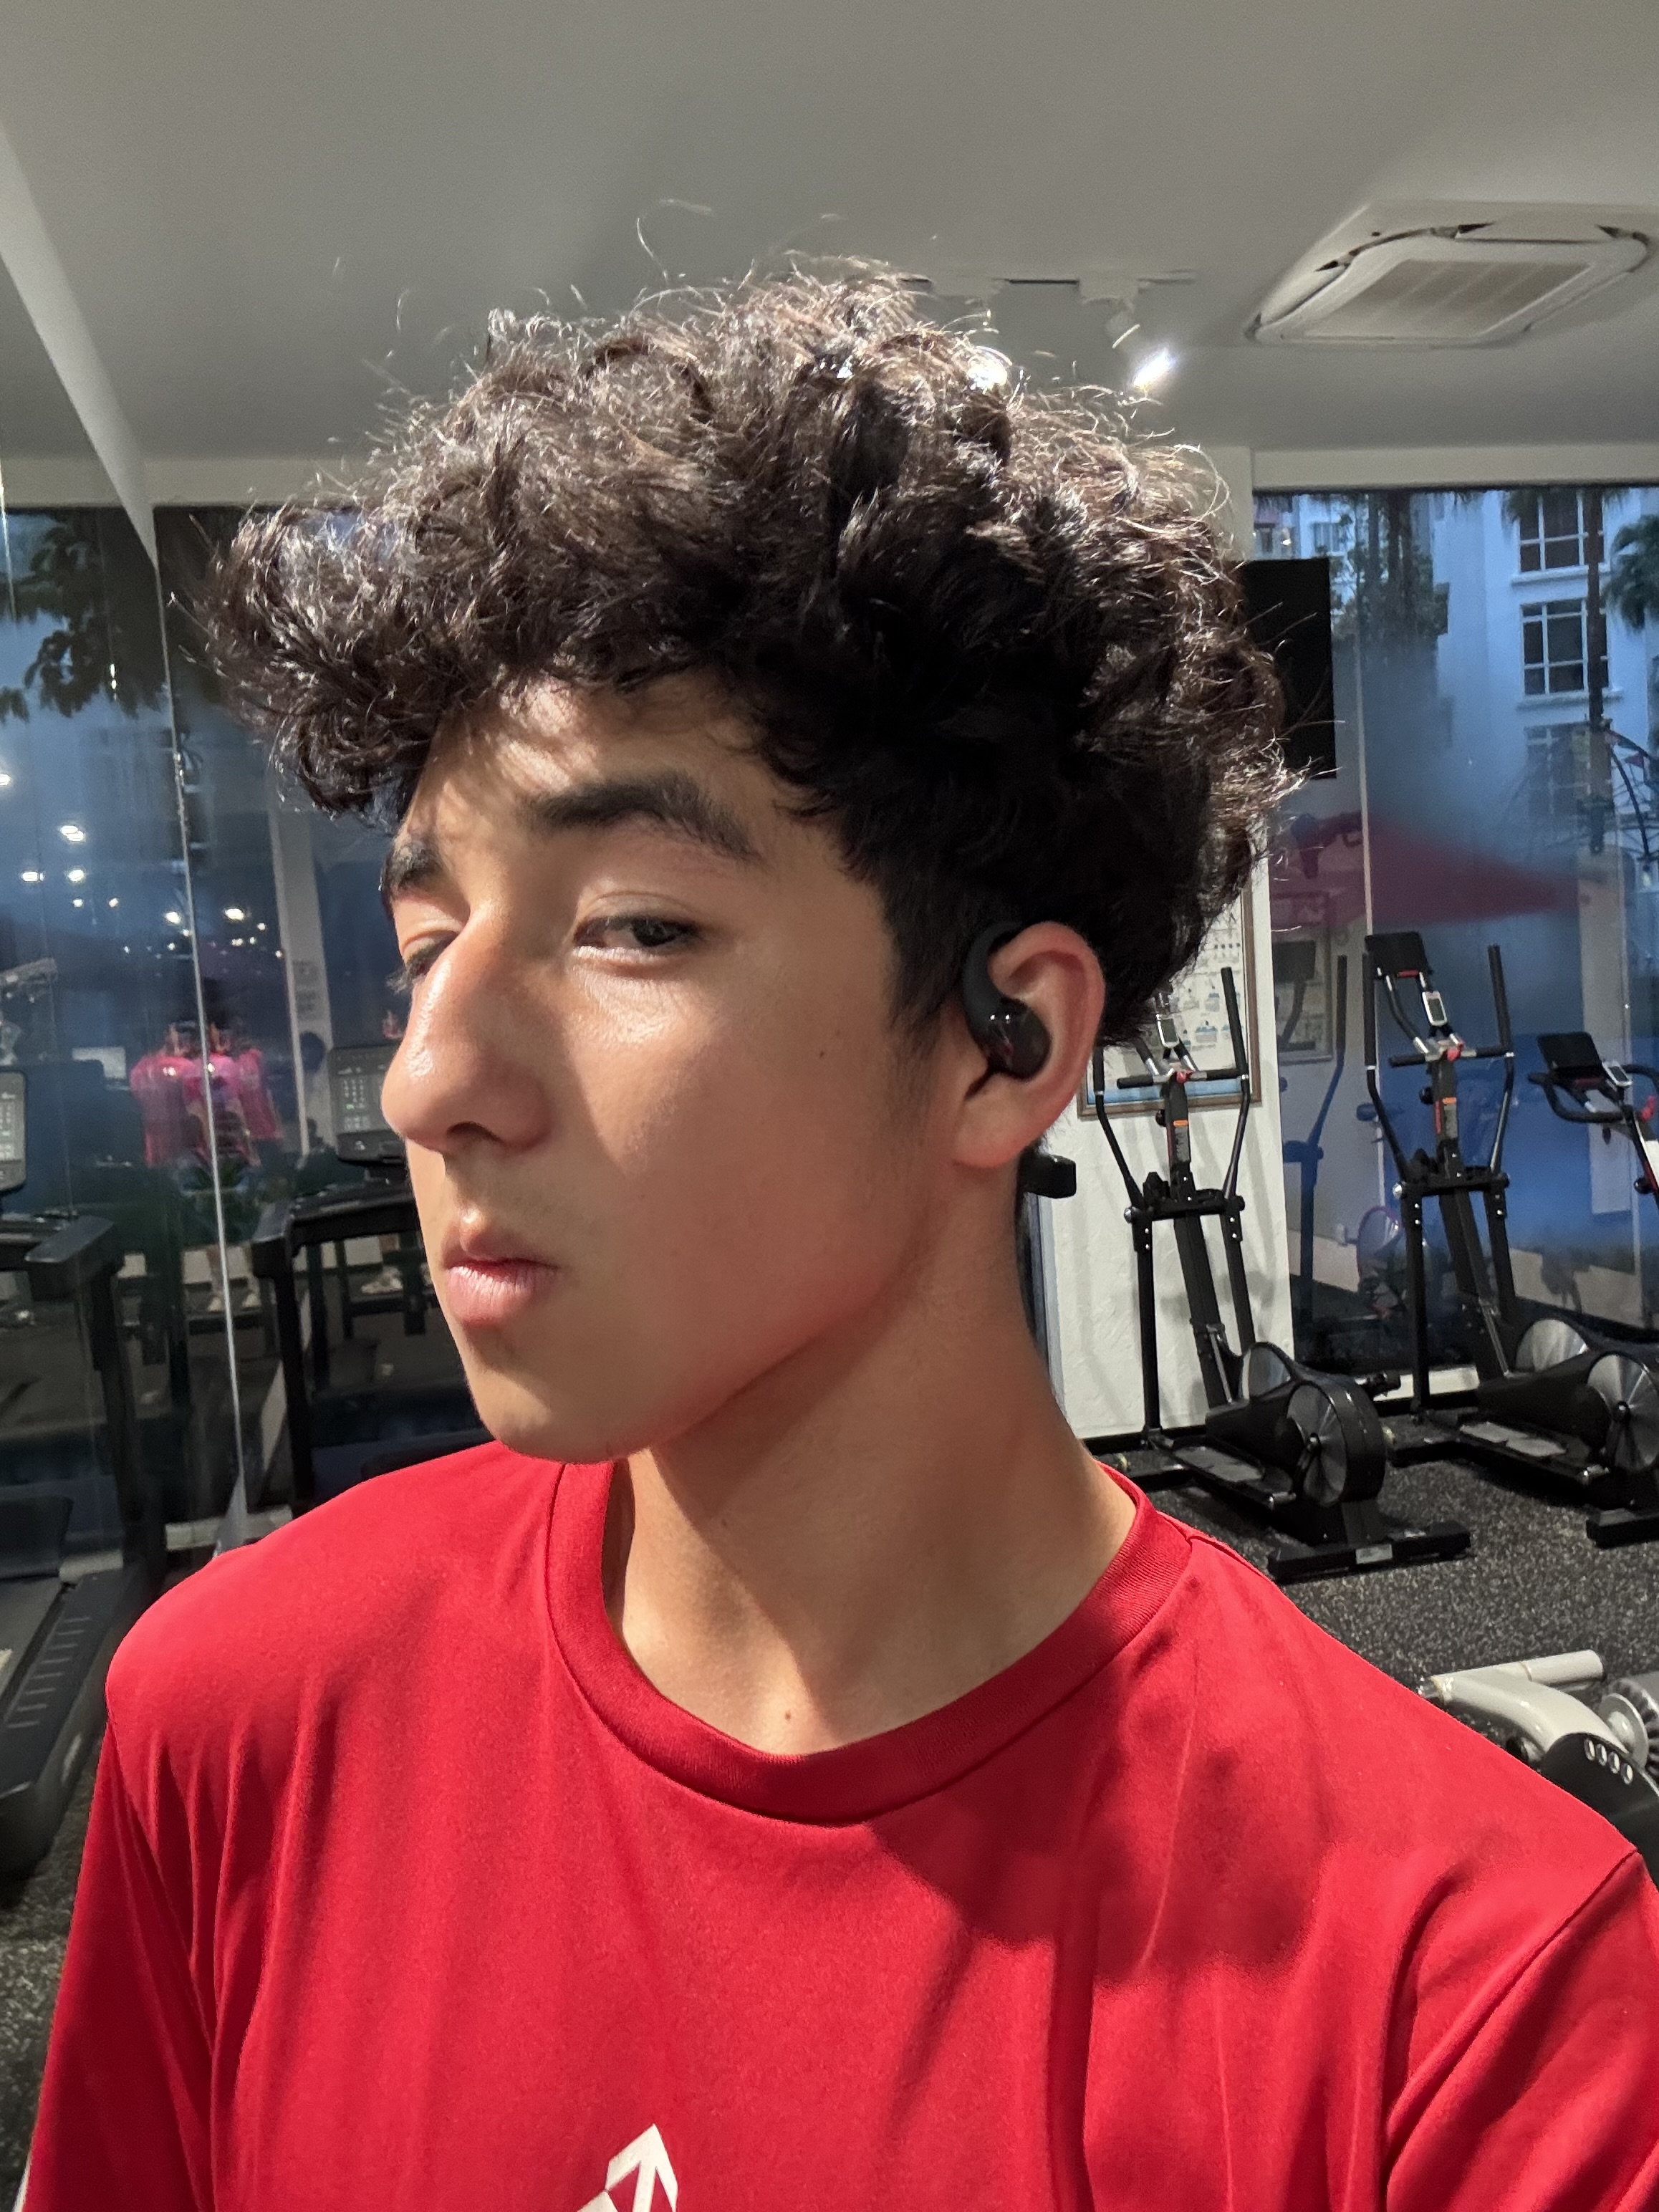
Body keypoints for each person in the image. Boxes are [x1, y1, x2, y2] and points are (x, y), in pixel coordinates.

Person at [27, 273, 1659, 2211]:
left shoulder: (1472, 2002)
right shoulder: (239, 1720)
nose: (429, 1079)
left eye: (630, 928)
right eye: (428, 944)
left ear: (1003, 1043)